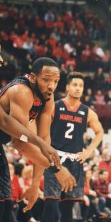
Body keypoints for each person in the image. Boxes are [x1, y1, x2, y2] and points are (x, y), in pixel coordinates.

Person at [0, 57, 76, 221]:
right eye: (46, 80)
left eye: (56, 81)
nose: (51, 86)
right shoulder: (22, 92)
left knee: (6, 203)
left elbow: (44, 141)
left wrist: (35, 185)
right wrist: (56, 169)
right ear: (33, 77)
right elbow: (19, 142)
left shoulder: (47, 97)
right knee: (3, 203)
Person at [41, 72, 104, 222]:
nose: (78, 88)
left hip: (75, 161)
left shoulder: (88, 112)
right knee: (51, 203)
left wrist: (89, 151)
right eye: (75, 85)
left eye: (81, 86)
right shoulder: (55, 106)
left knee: (68, 207)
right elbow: (43, 132)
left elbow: (100, 132)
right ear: (67, 87)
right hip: (55, 158)